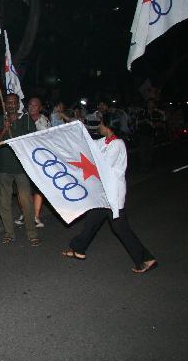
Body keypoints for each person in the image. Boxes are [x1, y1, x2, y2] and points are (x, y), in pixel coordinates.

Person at [62, 112, 158, 273]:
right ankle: (78, 249)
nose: (98, 126)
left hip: (113, 194)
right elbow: (87, 144)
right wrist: (73, 129)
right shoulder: (105, 142)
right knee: (92, 221)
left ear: (108, 126)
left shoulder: (117, 144)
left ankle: (145, 259)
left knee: (120, 228)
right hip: (104, 193)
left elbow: (103, 167)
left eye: (101, 124)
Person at [0, 93, 40, 246]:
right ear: (4, 104)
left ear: (18, 104)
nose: (11, 105)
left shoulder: (27, 120)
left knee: (26, 201)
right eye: (8, 103)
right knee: (4, 202)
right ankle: (9, 232)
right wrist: (5, 129)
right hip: (4, 167)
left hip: (22, 168)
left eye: (14, 102)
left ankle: (31, 232)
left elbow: (33, 141)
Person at [15, 97, 50, 228]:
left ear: (40, 107)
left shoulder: (44, 120)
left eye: (35, 105)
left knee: (38, 189)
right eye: (30, 105)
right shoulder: (22, 118)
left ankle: (35, 215)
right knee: (22, 188)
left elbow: (48, 139)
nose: (32, 107)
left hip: (39, 159)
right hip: (23, 158)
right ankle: (25, 212)